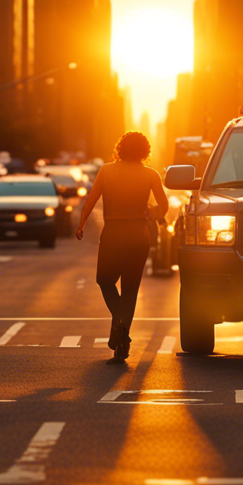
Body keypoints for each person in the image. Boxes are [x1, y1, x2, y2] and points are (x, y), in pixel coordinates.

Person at [76, 131, 168, 363]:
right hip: (139, 234)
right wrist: (154, 214)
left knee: (104, 281)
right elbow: (164, 206)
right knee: (130, 289)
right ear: (145, 152)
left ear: (121, 148)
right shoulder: (151, 174)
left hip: (114, 233)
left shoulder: (107, 170)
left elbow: (92, 199)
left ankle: (119, 328)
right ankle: (122, 333)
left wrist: (82, 224)